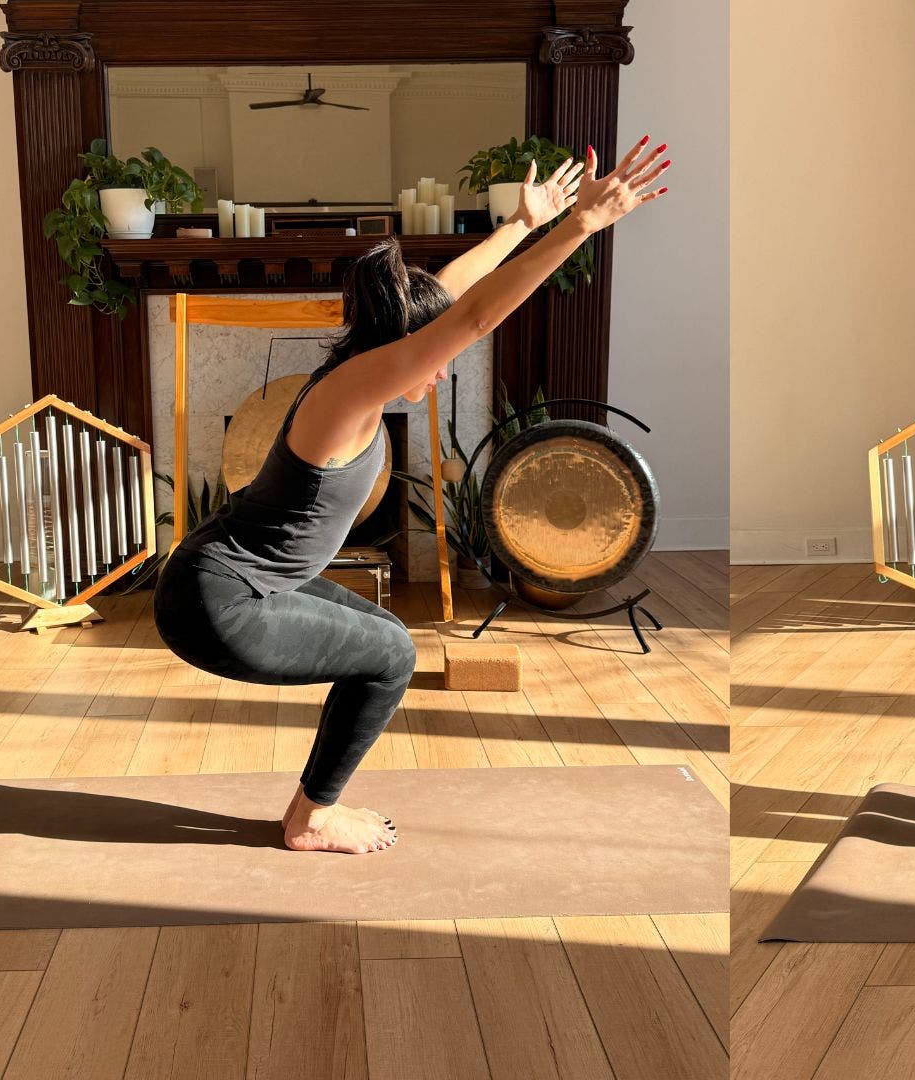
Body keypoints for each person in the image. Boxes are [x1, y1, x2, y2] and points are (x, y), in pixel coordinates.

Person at [153, 138, 673, 854]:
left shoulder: (363, 366)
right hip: (215, 602)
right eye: (434, 356)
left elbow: (450, 300)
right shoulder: (349, 391)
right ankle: (311, 819)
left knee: (381, 636)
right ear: (407, 347)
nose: (441, 369)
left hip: (240, 579)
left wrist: (522, 224)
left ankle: (310, 806)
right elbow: (470, 320)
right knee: (393, 654)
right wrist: (582, 226)